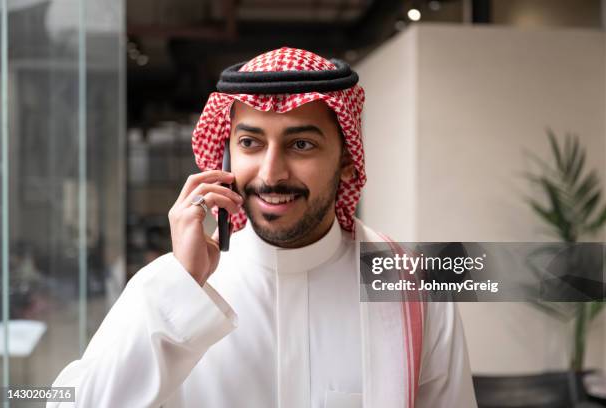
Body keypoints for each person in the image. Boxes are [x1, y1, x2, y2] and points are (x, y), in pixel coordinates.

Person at [49, 47, 477, 408]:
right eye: (250, 143)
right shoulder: (174, 284)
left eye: (301, 144)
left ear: (347, 161)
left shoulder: (413, 280)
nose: (271, 174)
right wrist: (181, 285)